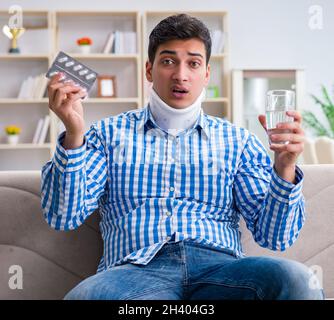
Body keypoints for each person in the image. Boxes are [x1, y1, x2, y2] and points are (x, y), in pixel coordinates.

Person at [41, 13, 324, 300]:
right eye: (168, 61)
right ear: (149, 71)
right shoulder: (106, 135)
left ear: (206, 74)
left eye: (193, 63)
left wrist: (285, 168)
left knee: (299, 280)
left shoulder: (238, 142)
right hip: (133, 273)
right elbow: (64, 216)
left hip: (221, 272)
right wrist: (74, 135)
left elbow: (275, 237)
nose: (181, 74)